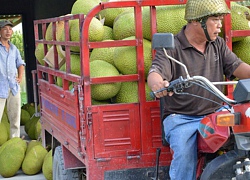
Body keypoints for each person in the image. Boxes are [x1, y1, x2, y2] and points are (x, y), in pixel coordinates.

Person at [147, 0, 250, 179]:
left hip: (217, 112)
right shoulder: (172, 47)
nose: (219, 25)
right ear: (196, 21)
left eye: (220, 20)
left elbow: (238, 67)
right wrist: (158, 84)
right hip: (182, 118)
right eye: (215, 20)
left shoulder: (216, 44)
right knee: (184, 155)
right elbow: (156, 71)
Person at [0, 20, 25, 138]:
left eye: (10, 29)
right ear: (0, 31)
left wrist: (20, 77)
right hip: (1, 87)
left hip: (13, 88)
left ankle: (14, 141)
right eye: (5, 29)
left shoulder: (14, 48)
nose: (8, 31)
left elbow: (20, 63)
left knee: (15, 119)